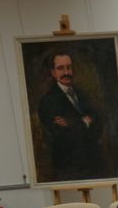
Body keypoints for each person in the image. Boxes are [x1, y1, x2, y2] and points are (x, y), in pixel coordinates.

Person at [37, 51, 103, 181]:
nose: (66, 72)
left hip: (94, 164)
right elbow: (61, 137)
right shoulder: (48, 101)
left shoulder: (82, 94)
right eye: (61, 68)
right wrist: (85, 122)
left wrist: (73, 123)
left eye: (69, 67)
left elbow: (99, 125)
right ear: (53, 72)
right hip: (68, 168)